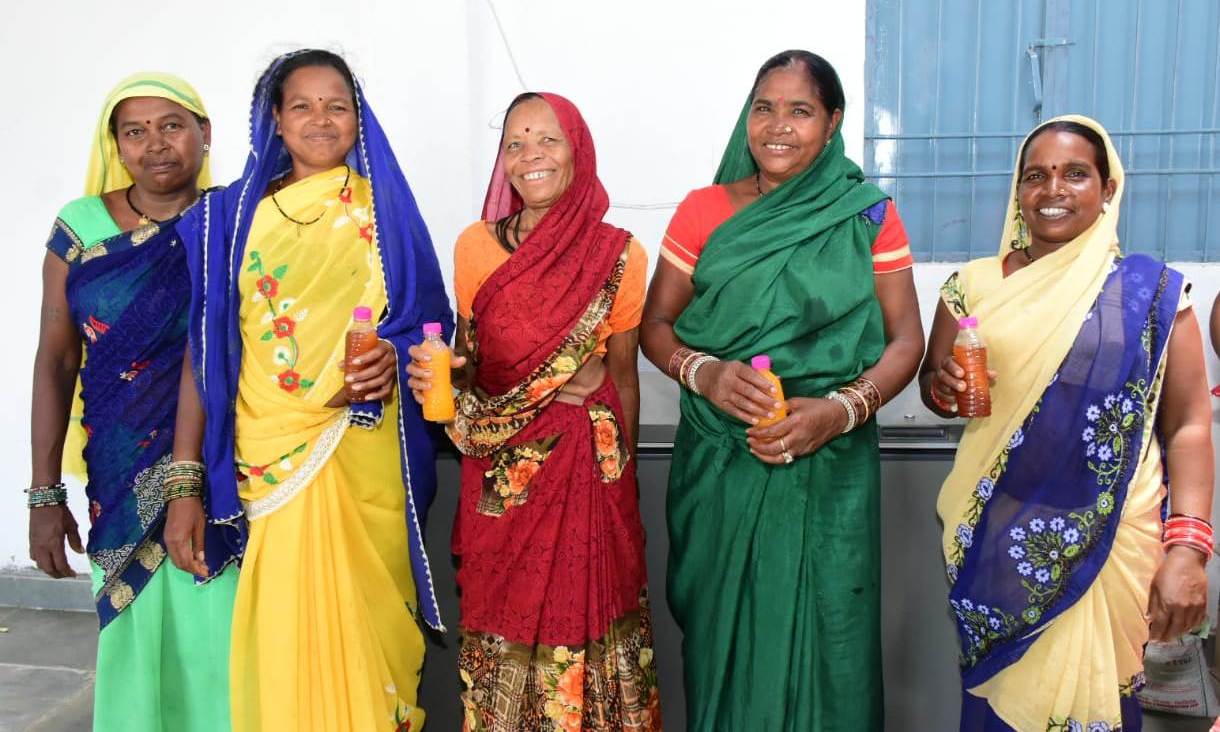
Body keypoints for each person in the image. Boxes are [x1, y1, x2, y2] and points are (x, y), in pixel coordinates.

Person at [639, 50, 925, 729]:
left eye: (800, 110)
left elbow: (906, 341)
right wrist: (705, 372)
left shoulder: (866, 215)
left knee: (829, 641)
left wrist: (840, 411)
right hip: (723, 464)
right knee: (725, 641)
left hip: (829, 467)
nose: (778, 125)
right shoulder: (705, 210)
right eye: (764, 108)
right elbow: (654, 326)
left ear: (833, 122)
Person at [177, 50, 452, 731]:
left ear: (358, 118)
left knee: (369, 624)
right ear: (275, 118)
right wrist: (185, 480)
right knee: (287, 629)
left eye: (337, 105)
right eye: (302, 105)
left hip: (362, 448)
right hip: (268, 447)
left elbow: (430, 321)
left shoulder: (384, 211)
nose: (320, 119)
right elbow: (204, 349)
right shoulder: (227, 219)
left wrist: (394, 354)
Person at [921, 115, 1213, 731]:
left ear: (1108, 189)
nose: (1052, 189)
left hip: (1112, 543)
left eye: (1075, 174)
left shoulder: (1152, 293)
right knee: (1002, 702)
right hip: (999, 541)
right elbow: (935, 386)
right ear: (1018, 192)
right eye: (1036, 176)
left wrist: (1188, 549)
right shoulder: (972, 286)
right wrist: (943, 388)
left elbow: (1188, 422)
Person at [408, 92, 661, 731]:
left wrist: (623, 484)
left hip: (586, 470)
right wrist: (440, 374)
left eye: (548, 139)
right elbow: (471, 365)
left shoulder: (619, 254)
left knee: (589, 616)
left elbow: (623, 376)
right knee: (502, 623)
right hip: (503, 477)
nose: (531, 156)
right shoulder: (474, 247)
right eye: (515, 144)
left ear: (578, 150)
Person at [29, 72, 237, 731]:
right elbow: (56, 359)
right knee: (134, 632)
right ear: (115, 145)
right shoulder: (80, 226)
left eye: (172, 125)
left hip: (223, 464)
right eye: (135, 131)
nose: (155, 144)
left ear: (205, 133)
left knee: (217, 634)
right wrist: (43, 495)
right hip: (118, 470)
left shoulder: (232, 222)